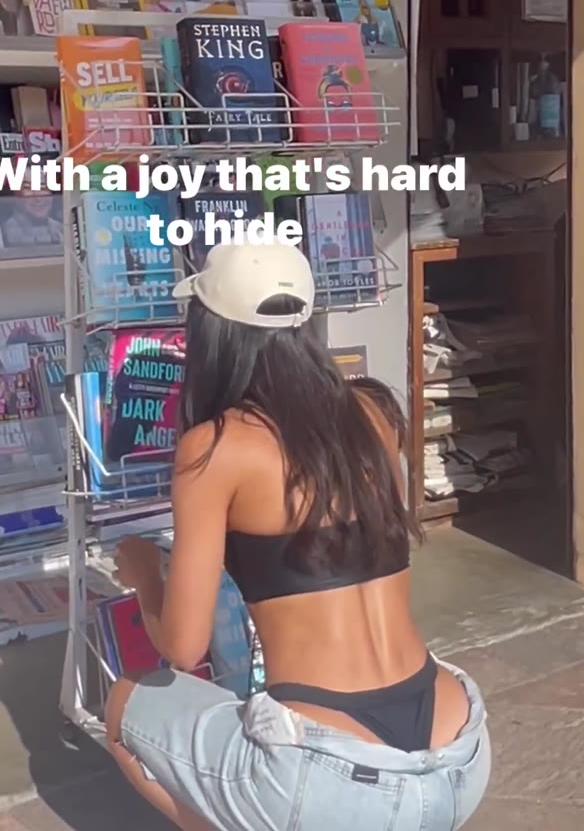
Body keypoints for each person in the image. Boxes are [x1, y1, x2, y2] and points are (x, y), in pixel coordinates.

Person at [107, 242, 490, 831]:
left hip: (340, 781)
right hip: (457, 756)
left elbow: (182, 650)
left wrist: (143, 578)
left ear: (212, 335)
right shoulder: (373, 413)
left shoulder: (216, 447)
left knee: (125, 705)